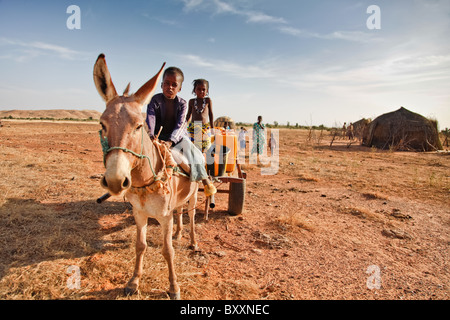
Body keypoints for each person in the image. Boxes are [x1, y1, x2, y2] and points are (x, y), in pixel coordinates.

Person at [145, 66, 216, 197]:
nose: (170, 87)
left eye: (174, 85)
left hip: (176, 139)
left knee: (191, 150)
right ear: (161, 85)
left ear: (179, 88)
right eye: (167, 83)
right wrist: (151, 137)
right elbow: (150, 119)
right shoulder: (154, 101)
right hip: (156, 137)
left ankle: (205, 180)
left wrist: (170, 142)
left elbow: (181, 125)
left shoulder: (182, 104)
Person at [186, 79, 214, 153]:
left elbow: (210, 114)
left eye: (203, 89)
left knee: (205, 148)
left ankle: (203, 163)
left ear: (207, 91)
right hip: (193, 128)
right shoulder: (191, 101)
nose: (201, 91)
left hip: (204, 128)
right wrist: (184, 125)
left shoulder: (208, 100)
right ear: (194, 90)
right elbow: (188, 114)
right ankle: (195, 163)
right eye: (199, 89)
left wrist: (212, 127)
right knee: (194, 148)